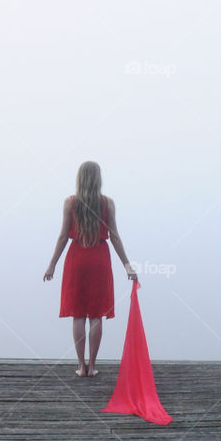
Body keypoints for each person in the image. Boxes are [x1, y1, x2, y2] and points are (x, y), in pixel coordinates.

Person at [43, 161, 137, 377]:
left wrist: (52, 264)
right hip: (99, 260)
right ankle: (92, 366)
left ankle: (80, 366)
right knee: (96, 315)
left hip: (76, 260)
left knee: (78, 314)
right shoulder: (108, 204)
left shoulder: (70, 203)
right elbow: (114, 236)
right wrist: (127, 265)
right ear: (98, 179)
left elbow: (63, 236)